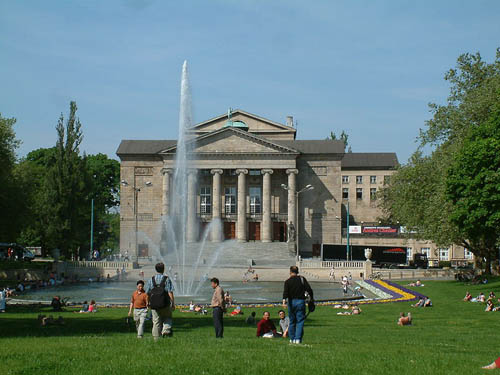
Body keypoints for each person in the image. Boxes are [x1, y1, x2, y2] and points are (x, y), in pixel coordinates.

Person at [282, 266, 313, 344]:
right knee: (300, 321)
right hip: (300, 301)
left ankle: (292, 339)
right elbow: (309, 289)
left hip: (291, 302)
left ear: (290, 272)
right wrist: (311, 299)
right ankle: (297, 339)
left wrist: (283, 302)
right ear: (297, 271)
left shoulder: (287, 281)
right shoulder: (302, 279)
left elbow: (285, 292)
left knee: (292, 321)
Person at [145, 263, 175, 340]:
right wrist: (172, 303)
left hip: (154, 304)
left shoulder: (151, 279)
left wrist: (147, 302)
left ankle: (156, 339)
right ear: (163, 269)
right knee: (167, 318)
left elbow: (147, 293)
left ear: (156, 269)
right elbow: (170, 292)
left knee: (156, 322)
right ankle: (166, 330)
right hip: (165, 303)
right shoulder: (166, 279)